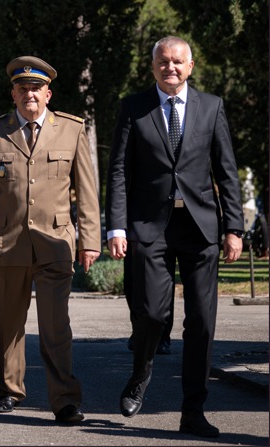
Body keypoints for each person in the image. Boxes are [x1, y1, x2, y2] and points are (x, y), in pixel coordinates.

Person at [106, 36, 243, 438]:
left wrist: (233, 227)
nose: (171, 68)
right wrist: (117, 225)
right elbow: (118, 171)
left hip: (200, 229)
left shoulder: (212, 107)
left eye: (178, 62)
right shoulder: (134, 107)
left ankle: (193, 410)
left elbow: (226, 171)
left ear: (191, 66)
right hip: (151, 227)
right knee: (151, 314)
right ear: (153, 67)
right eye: (163, 62)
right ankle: (141, 372)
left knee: (201, 322)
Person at [0, 56, 100, 424]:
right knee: (9, 323)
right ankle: (10, 390)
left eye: (35, 88)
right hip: (8, 242)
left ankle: (65, 400)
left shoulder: (71, 130)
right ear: (13, 94)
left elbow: (87, 190)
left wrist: (90, 239)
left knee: (56, 326)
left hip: (56, 241)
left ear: (48, 93)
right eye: (22, 89)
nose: (29, 94)